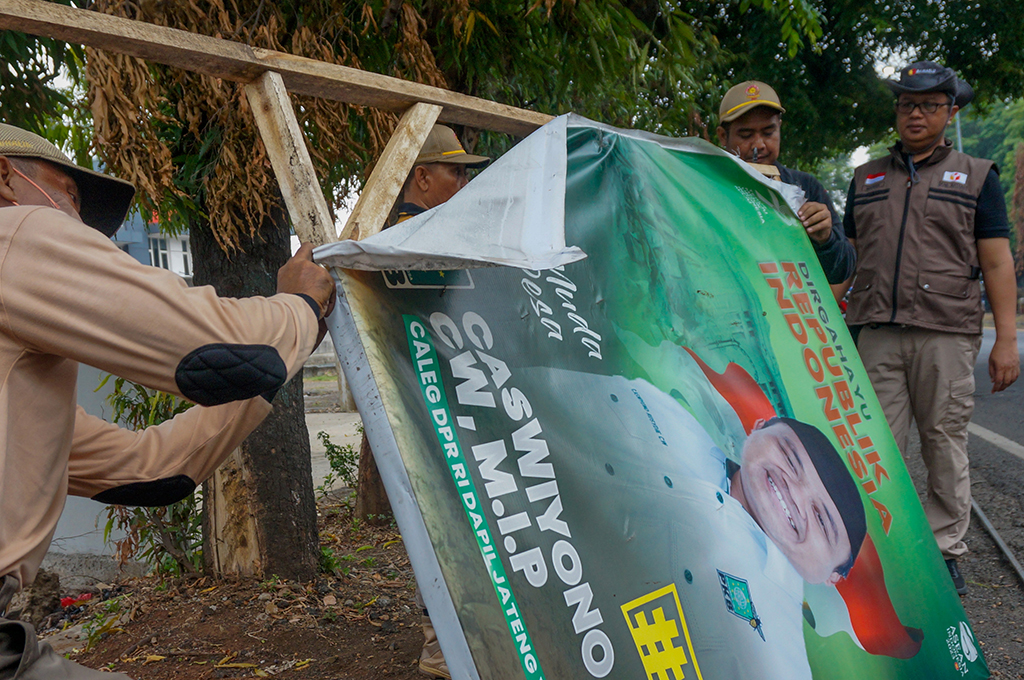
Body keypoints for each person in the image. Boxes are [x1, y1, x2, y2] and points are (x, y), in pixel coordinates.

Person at [0, 122, 337, 679]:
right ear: (6, 178)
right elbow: (221, 354)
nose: (78, 225)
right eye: (70, 196)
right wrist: (299, 304)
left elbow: (152, 472)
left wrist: (277, 360)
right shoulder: (15, 232)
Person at [842, 61, 1021, 595]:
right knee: (874, 446)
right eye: (906, 104)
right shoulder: (866, 177)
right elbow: (848, 261)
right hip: (875, 332)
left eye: (929, 105)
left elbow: (996, 262)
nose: (915, 113)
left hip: (946, 332)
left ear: (951, 112)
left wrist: (1006, 340)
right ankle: (882, 547)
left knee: (943, 441)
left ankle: (944, 551)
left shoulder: (977, 175)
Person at [393, 123, 489, 679]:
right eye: (456, 171)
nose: (463, 182)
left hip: (451, 402)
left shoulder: (430, 232)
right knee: (444, 522)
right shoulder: (408, 239)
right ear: (423, 177)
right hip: (434, 410)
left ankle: (450, 636)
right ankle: (438, 644)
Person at [717, 81, 856, 295]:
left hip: (790, 317)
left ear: (779, 128)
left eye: (768, 132)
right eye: (745, 135)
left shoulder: (805, 187)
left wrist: (826, 238)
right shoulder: (710, 186)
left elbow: (843, 269)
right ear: (722, 136)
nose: (759, 144)